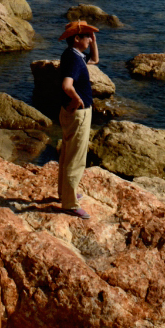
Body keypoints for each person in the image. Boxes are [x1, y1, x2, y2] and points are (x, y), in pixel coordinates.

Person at [57, 20, 98, 216]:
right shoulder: (74, 59)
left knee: (66, 155)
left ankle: (64, 194)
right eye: (87, 36)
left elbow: (95, 60)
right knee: (76, 159)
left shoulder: (73, 55)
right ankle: (70, 204)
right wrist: (78, 100)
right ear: (76, 38)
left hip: (69, 112)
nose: (90, 39)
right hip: (79, 114)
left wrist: (94, 41)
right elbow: (66, 85)